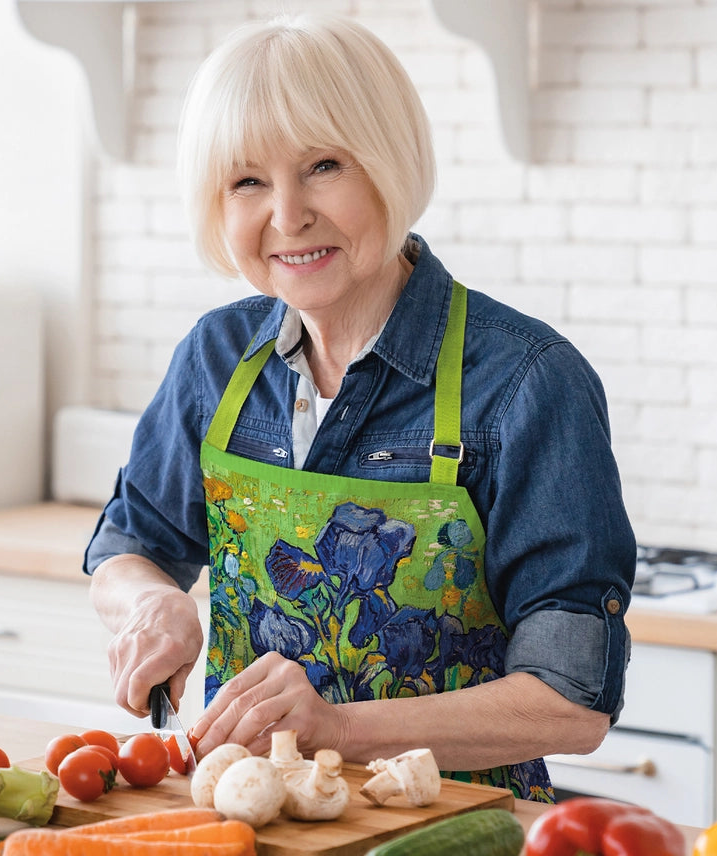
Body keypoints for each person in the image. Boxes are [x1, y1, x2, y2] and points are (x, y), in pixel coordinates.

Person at [84, 13, 636, 802]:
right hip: (253, 822)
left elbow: (569, 701)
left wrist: (340, 729)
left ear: (388, 163)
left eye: (323, 166)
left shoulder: (524, 382)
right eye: (247, 181)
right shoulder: (216, 360)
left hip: (456, 830)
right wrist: (154, 603)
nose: (286, 215)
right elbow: (127, 546)